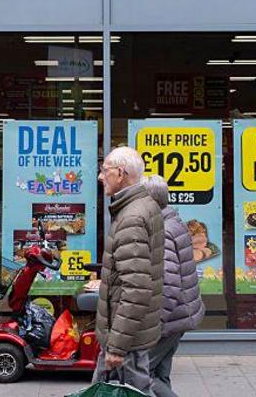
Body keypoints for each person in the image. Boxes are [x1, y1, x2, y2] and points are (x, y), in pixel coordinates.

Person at [92, 146, 164, 395]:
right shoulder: (142, 205)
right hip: (132, 333)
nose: (101, 177)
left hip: (126, 339)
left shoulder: (131, 217)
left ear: (120, 173)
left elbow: (136, 290)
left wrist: (116, 347)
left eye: (105, 170)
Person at [143, 175, 204, 397]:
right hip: (179, 315)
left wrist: (154, 324)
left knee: (139, 372)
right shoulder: (173, 221)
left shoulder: (163, 231)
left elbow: (168, 286)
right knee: (159, 375)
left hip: (169, 319)